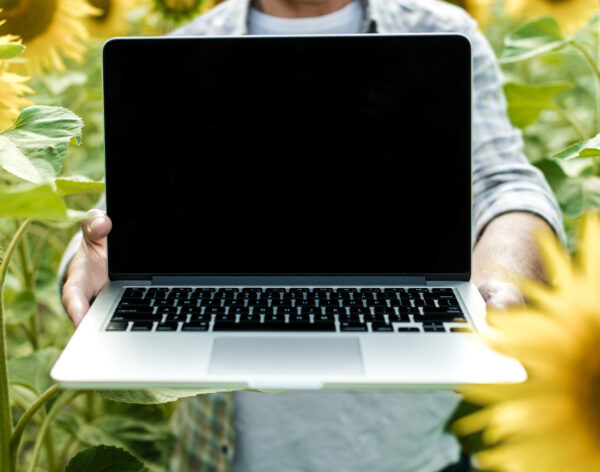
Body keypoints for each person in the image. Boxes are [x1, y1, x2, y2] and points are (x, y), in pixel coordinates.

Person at [61, 0, 565, 470]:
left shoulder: (438, 30)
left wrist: (503, 279)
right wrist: (92, 256)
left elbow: (505, 183)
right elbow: (124, 207)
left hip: (411, 458)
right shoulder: (185, 48)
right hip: (220, 457)